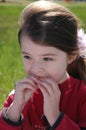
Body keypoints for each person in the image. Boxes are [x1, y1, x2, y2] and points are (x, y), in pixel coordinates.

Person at [0, 0, 86, 130]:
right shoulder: (19, 95)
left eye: (47, 58)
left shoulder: (82, 96)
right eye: (28, 57)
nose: (35, 69)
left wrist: (55, 117)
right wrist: (15, 109)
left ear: (71, 56)